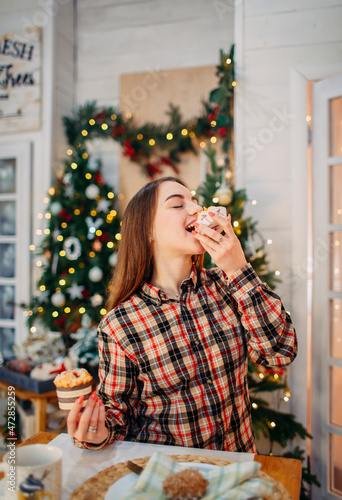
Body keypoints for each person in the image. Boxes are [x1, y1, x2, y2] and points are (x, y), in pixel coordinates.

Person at [67, 176, 297, 452]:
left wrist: (238, 269)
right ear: (147, 230)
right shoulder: (120, 324)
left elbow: (279, 353)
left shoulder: (228, 285)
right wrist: (97, 431)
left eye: (195, 201)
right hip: (168, 481)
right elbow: (118, 416)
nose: (197, 210)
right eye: (178, 205)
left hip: (237, 474)